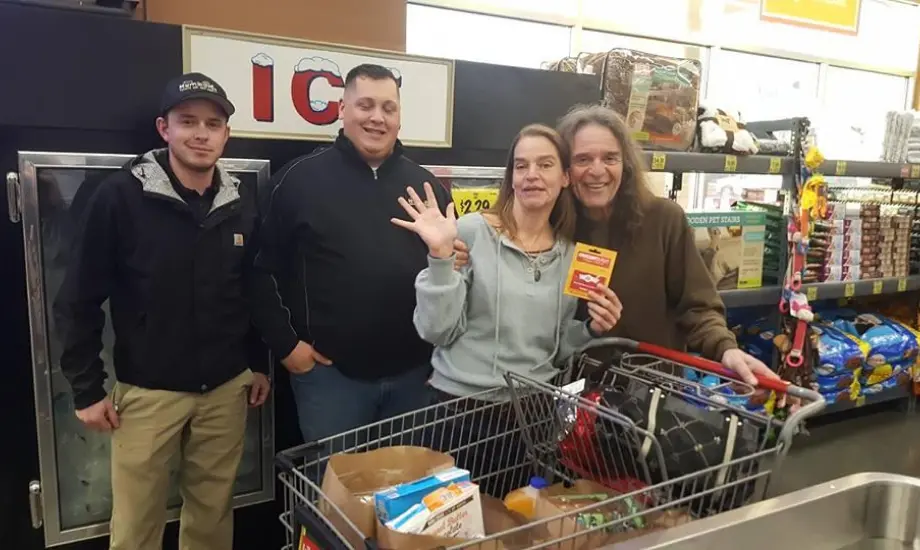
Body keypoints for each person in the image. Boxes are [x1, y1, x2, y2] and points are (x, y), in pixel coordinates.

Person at [53, 72, 271, 550]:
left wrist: (257, 362)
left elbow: (251, 290)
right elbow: (78, 298)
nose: (200, 133)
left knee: (212, 514)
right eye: (187, 121)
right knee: (136, 525)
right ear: (163, 128)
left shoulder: (241, 203)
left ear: (226, 134)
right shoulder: (119, 198)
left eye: (213, 124)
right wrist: (87, 389)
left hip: (226, 390)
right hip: (148, 394)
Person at [454, 104, 779, 386]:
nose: (597, 171)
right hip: (569, 395)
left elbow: (698, 306)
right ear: (566, 172)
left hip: (651, 394)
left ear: (625, 165)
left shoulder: (664, 219)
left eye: (610, 158)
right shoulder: (554, 229)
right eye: (583, 159)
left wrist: (727, 349)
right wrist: (458, 254)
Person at [390, 124, 621, 498]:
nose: (532, 175)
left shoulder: (570, 256)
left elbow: (558, 348)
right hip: (459, 415)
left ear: (564, 177)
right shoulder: (468, 233)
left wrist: (592, 329)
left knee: (514, 529)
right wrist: (439, 259)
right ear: (510, 177)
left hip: (531, 421)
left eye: (545, 165)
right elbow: (436, 331)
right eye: (521, 165)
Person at [250, 63, 452, 445]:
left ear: (399, 116)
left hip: (415, 379)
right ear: (342, 110)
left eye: (388, 108)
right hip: (330, 382)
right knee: (333, 495)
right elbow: (259, 272)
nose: (377, 117)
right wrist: (288, 348)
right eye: (365, 105)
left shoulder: (426, 187)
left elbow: (449, 274)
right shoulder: (298, 181)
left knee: (406, 496)